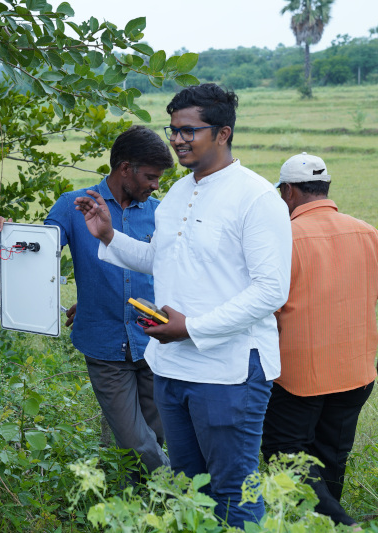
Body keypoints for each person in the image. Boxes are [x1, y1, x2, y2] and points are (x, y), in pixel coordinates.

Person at [74, 83, 292, 527]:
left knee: (233, 489)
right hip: (172, 369)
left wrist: (192, 327)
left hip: (228, 370)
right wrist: (108, 236)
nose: (177, 140)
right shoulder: (175, 195)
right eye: (173, 130)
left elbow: (271, 290)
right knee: (189, 486)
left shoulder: (255, 197)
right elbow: (161, 259)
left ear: (223, 133)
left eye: (188, 131)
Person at [261, 152, 378, 527]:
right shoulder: (365, 230)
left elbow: (268, 310)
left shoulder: (283, 237)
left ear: (289, 192)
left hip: (296, 377)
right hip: (355, 375)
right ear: (326, 189)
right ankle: (323, 524)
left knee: (285, 454)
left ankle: (340, 524)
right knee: (330, 456)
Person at [44, 125, 173, 479]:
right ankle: (182, 491)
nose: (155, 185)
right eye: (150, 176)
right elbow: (34, 250)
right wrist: (0, 231)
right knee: (135, 441)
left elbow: (174, 271)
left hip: (154, 341)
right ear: (125, 168)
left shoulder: (161, 213)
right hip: (103, 343)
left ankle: (137, 507)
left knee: (154, 436)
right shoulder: (75, 206)